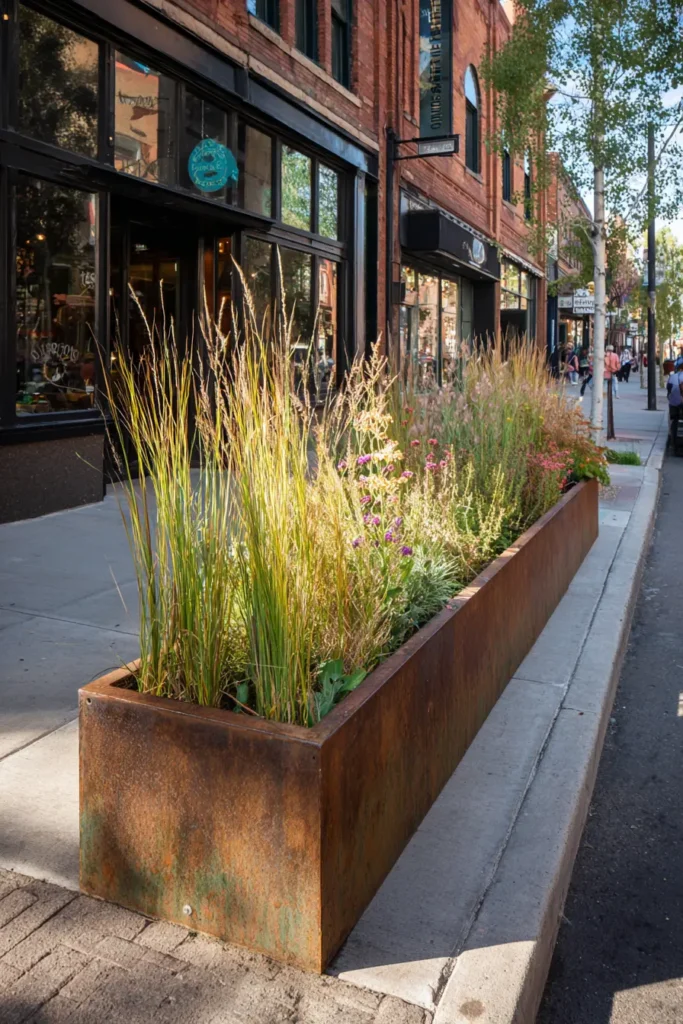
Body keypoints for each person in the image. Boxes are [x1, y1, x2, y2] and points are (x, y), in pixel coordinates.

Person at [667, 357, 683, 450]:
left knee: (674, 419)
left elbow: (668, 391)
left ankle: (674, 441)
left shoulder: (673, 377)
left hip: (675, 403)